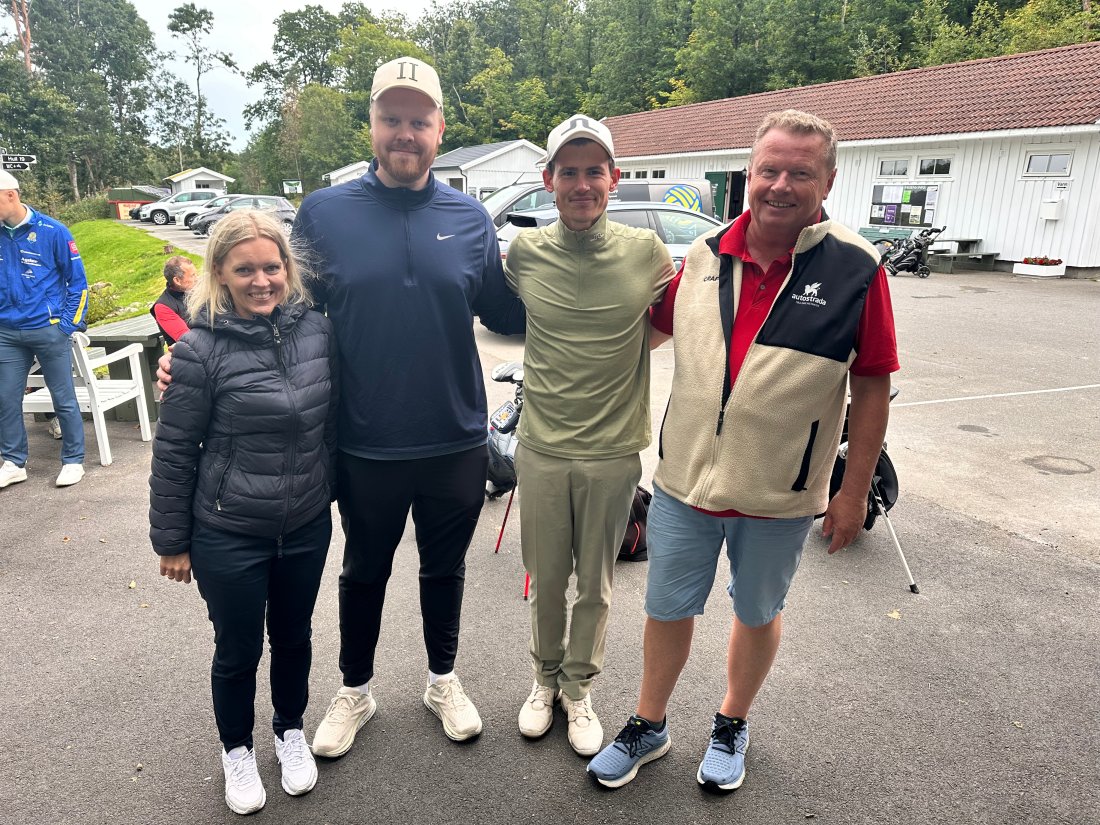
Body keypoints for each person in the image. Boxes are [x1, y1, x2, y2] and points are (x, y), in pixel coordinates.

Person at [587, 110, 899, 791]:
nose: (781, 185)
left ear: (829, 181)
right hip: (683, 484)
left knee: (756, 611)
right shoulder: (703, 255)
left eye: (800, 173)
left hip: (779, 494)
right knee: (666, 606)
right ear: (747, 175)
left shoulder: (856, 269)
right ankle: (649, 722)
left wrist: (853, 492)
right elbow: (646, 334)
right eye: (768, 170)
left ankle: (731, 720)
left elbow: (871, 386)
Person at [289, 56, 525, 753]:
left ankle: (441, 679)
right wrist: (201, 353)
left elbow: (509, 310)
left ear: (439, 129)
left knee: (444, 570)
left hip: (454, 436)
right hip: (364, 439)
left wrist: (595, 288)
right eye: (391, 118)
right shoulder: (324, 215)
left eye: (418, 121)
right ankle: (355, 690)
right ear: (372, 124)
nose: (405, 133)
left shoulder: (470, 218)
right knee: (364, 569)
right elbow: (280, 312)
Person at [150, 210, 337, 815]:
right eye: (245, 269)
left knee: (294, 637)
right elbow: (176, 451)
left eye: (271, 266)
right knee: (237, 648)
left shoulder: (318, 331)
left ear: (288, 268)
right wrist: (171, 541)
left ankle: (289, 731)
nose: (262, 280)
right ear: (220, 275)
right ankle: (235, 749)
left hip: (305, 524)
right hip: (229, 531)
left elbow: (337, 420)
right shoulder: (198, 349)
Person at [504, 115, 675, 756]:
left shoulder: (647, 254)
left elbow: (666, 325)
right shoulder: (523, 254)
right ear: (549, 181)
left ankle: (578, 690)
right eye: (569, 172)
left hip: (611, 452)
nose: (582, 184)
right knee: (546, 578)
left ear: (614, 178)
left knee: (597, 583)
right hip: (543, 447)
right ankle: (543, 682)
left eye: (593, 171)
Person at [0, 169, 88, 489]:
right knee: (6, 399)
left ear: (11, 195)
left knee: (63, 397)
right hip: (7, 333)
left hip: (48, 329)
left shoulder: (53, 230)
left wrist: (66, 326)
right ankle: (13, 462)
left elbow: (78, 283)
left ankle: (74, 460)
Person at [150, 255, 197, 344]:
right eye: (192, 275)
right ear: (177, 280)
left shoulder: (196, 292)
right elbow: (188, 340)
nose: (196, 279)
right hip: (188, 355)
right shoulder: (163, 307)